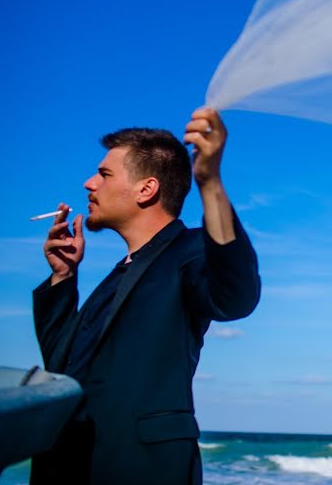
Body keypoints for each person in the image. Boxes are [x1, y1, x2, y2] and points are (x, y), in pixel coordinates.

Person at [31, 108, 261, 484]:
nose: (89, 184)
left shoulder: (190, 253)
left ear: (146, 189)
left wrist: (211, 184)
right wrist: (63, 276)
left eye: (104, 174)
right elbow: (62, 368)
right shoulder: (118, 273)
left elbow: (236, 296)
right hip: (70, 467)